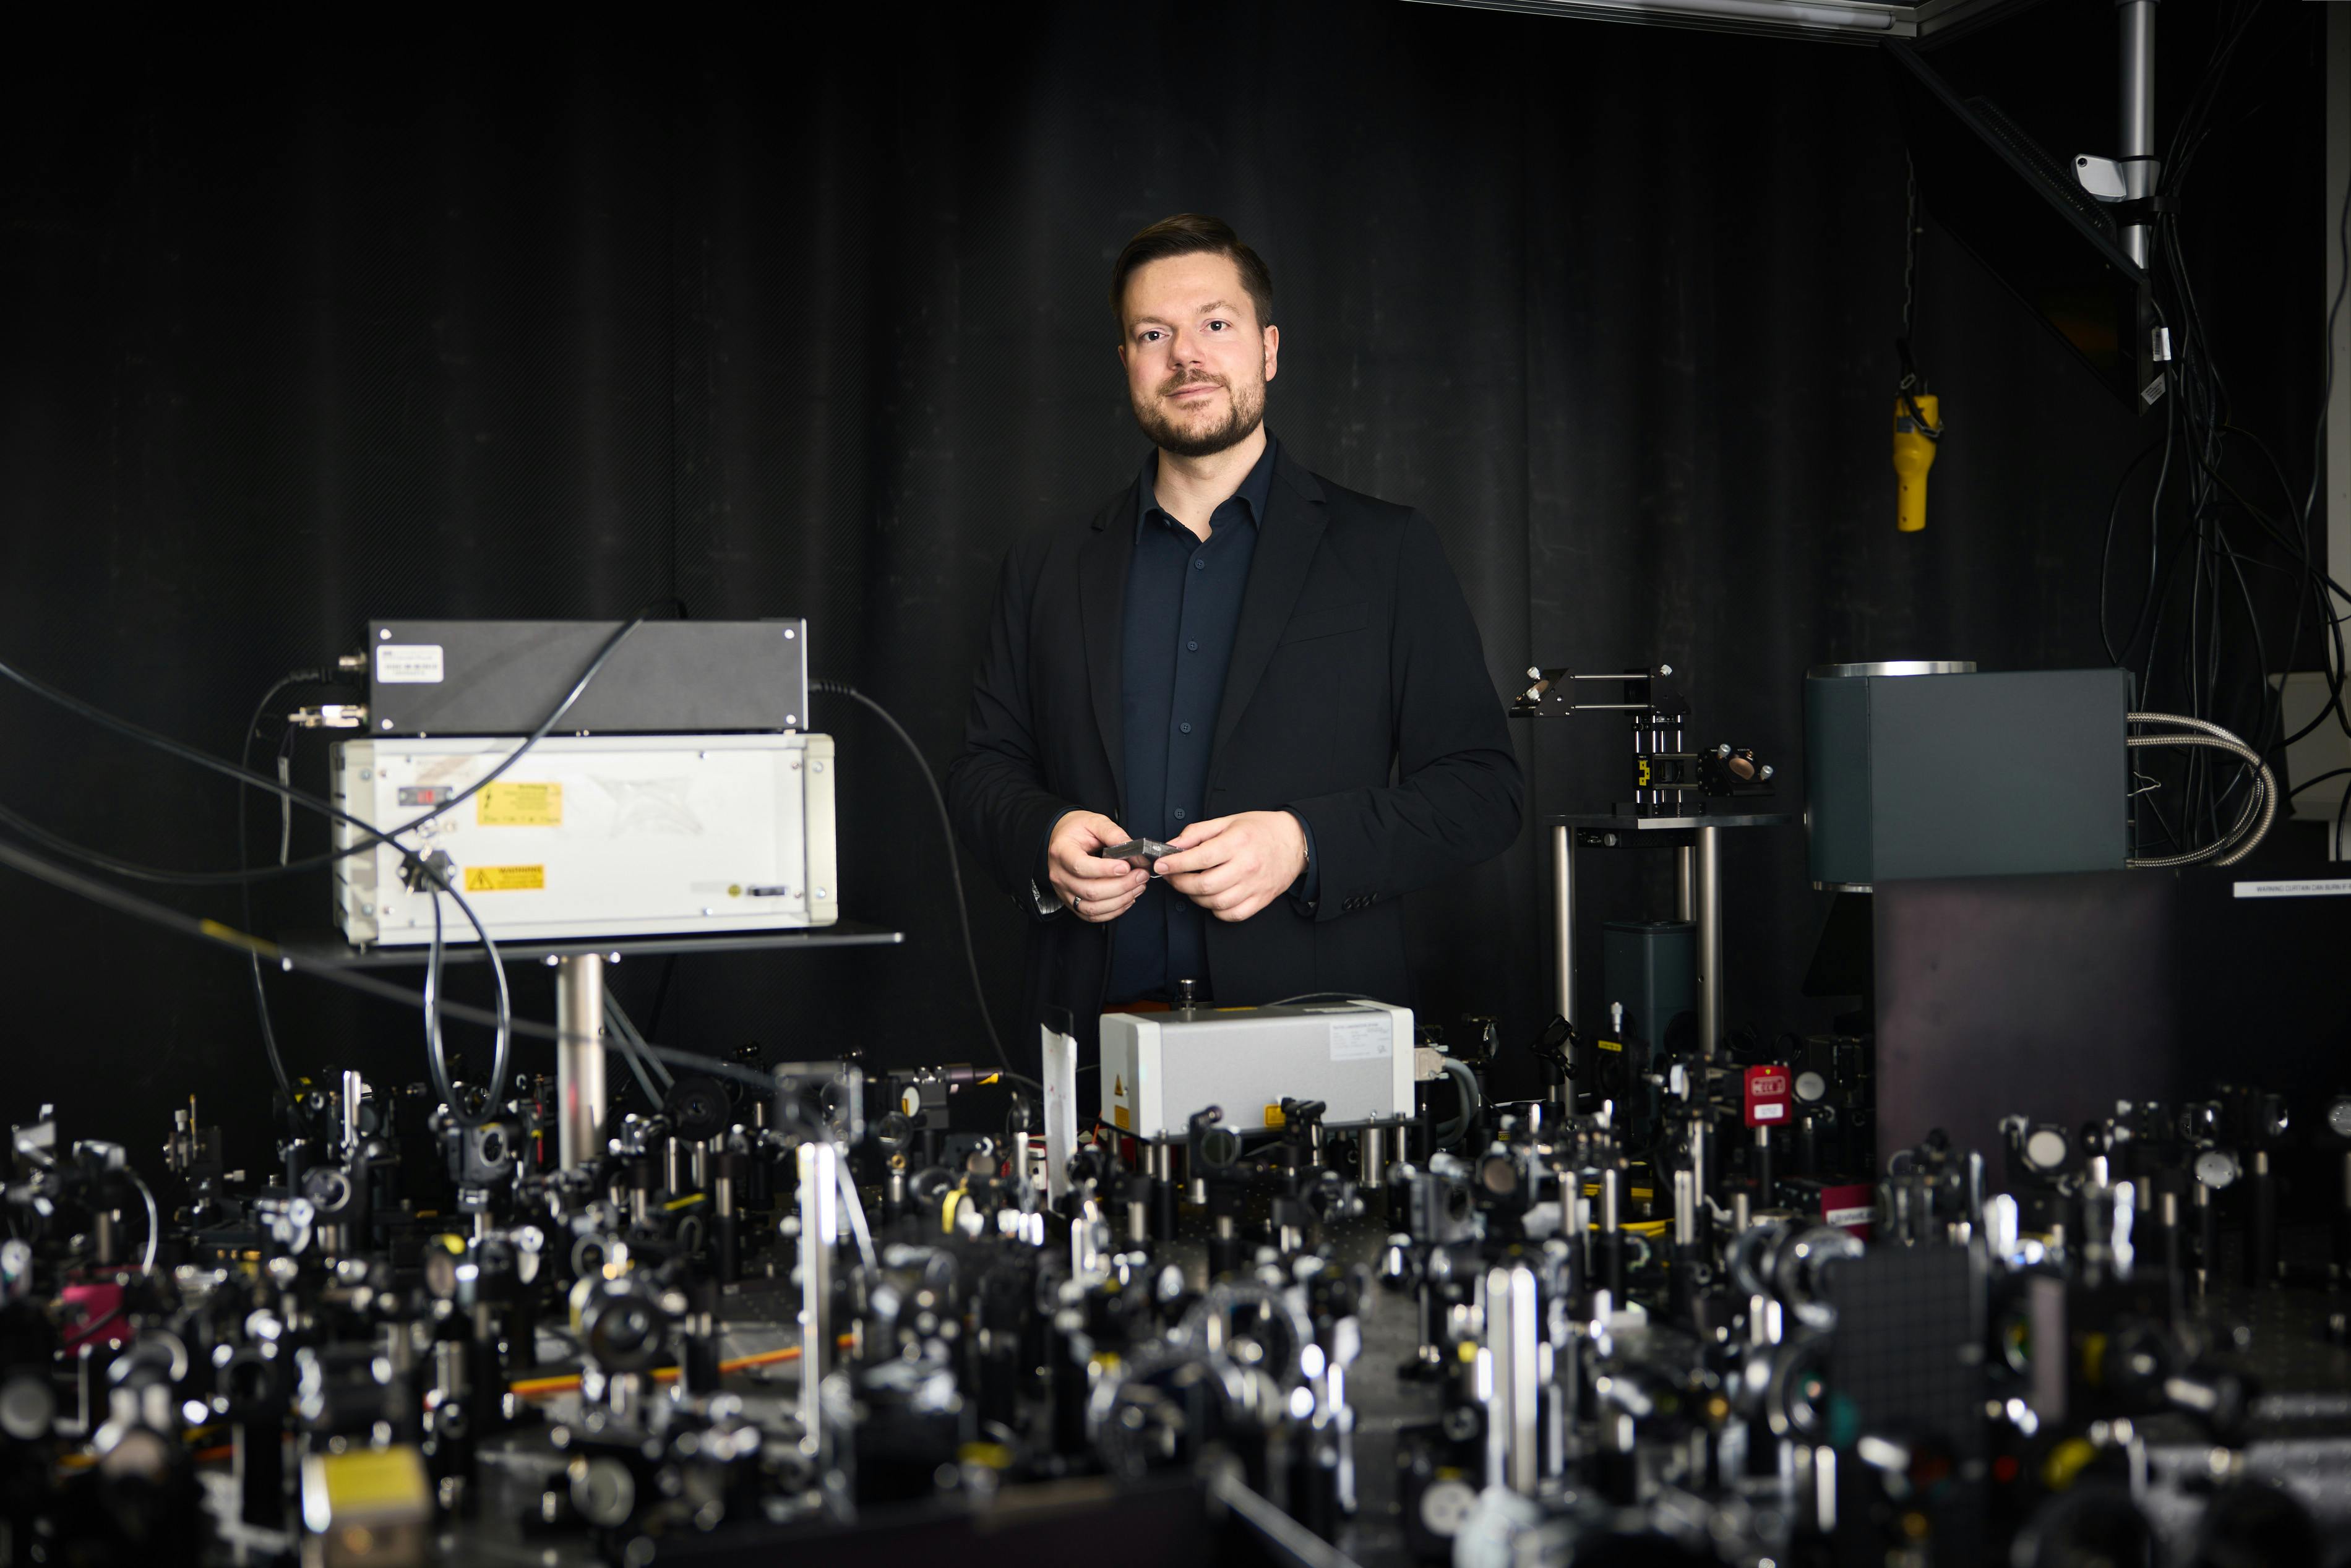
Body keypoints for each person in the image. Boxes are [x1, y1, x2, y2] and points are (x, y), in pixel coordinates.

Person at [946, 213, 1521, 1058]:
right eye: (1155, 333)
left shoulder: (1387, 551)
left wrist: (1304, 845)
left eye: (1216, 324)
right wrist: (1045, 835)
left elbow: (1484, 792)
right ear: (1128, 365)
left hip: (1315, 1045)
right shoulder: (1046, 563)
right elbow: (982, 768)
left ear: (1269, 349)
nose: (1187, 355)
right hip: (1088, 1041)